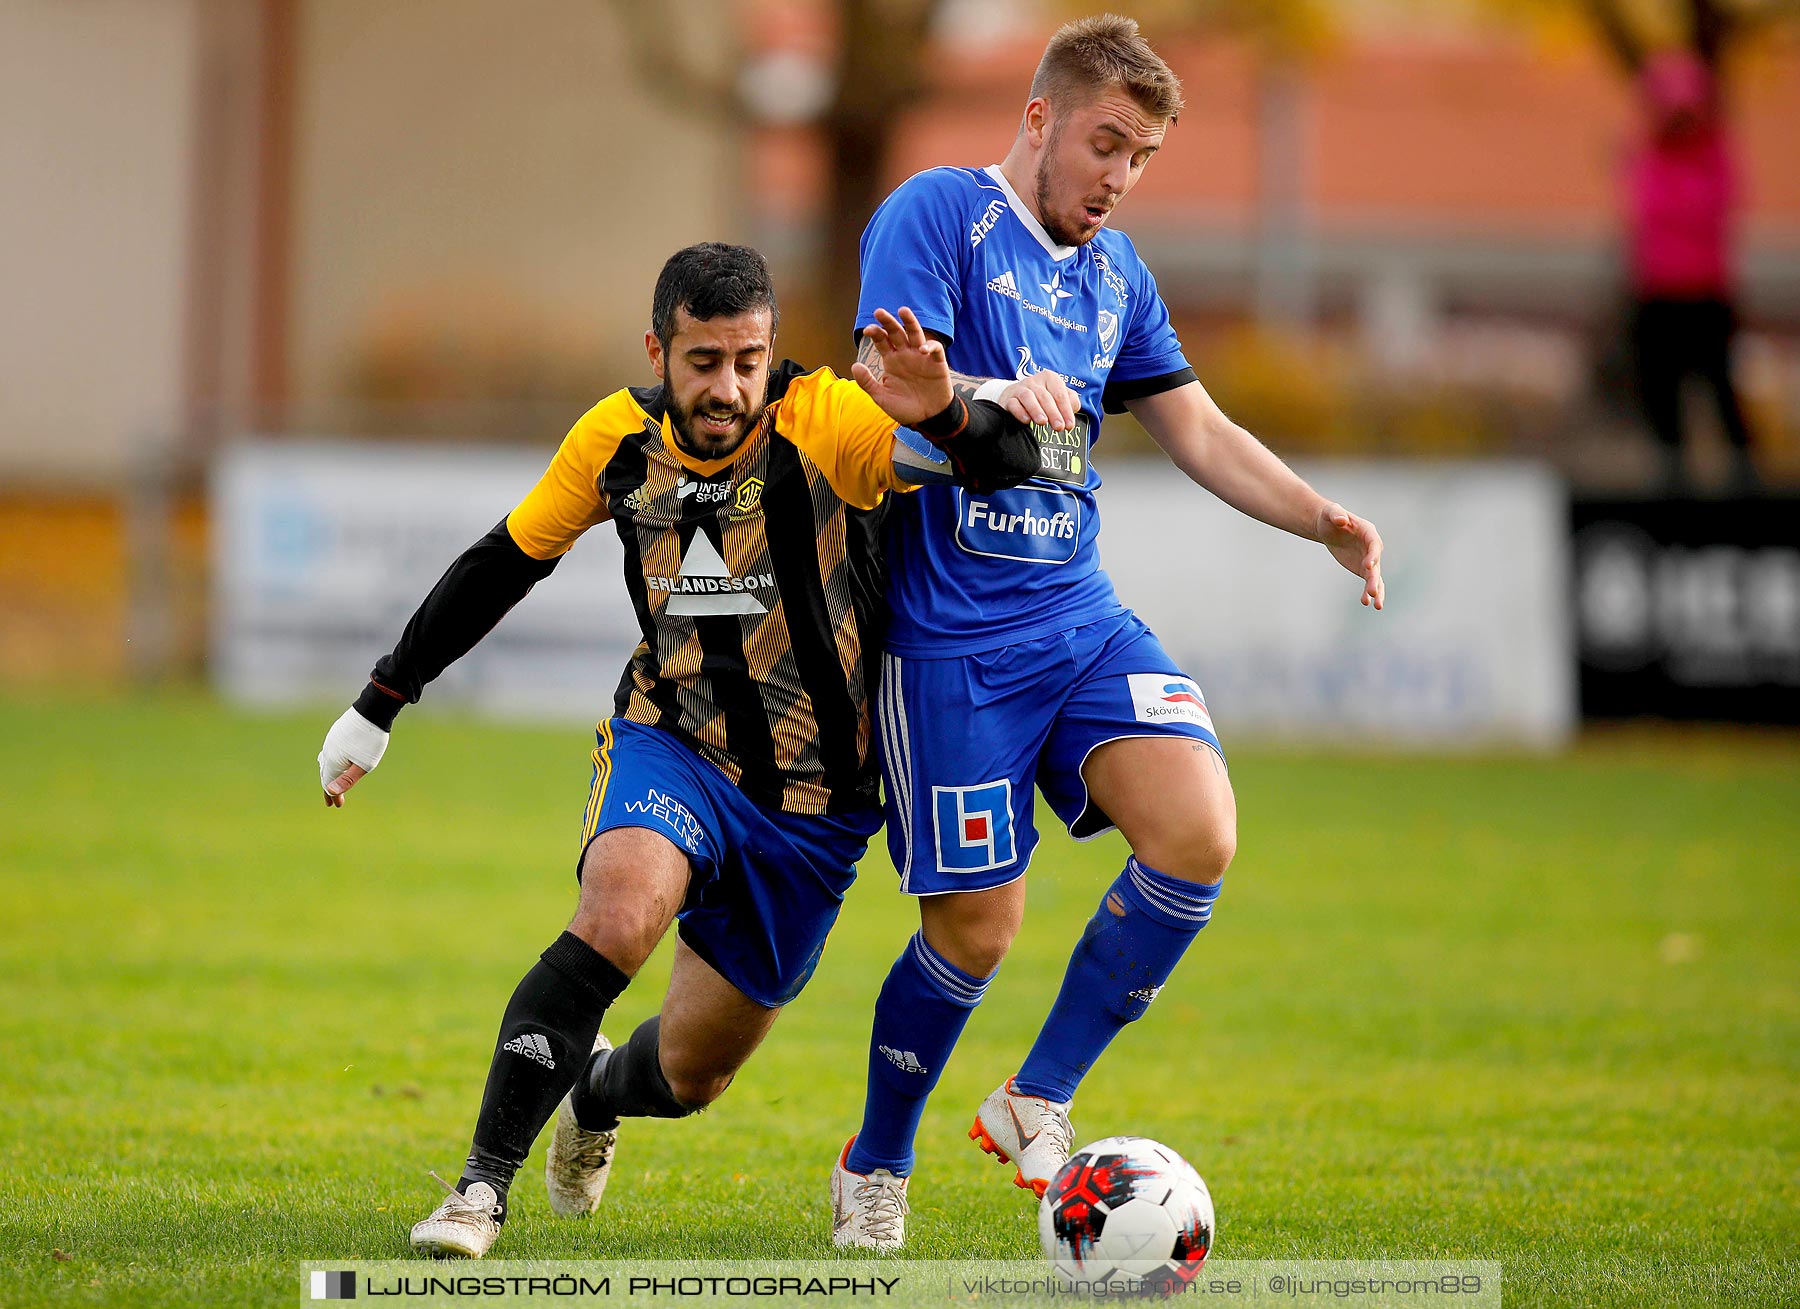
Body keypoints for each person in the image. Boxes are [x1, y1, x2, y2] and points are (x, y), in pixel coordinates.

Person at [316, 243, 1035, 1258]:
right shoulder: (615, 439)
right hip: (673, 743)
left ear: (773, 352)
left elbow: (1002, 461)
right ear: (659, 350)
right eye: (703, 361)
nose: (727, 386)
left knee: (693, 1076)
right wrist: (380, 701)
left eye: (749, 360)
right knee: (618, 913)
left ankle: (596, 1089)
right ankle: (478, 1192)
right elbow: (502, 563)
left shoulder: (830, 419)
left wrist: (952, 407)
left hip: (816, 807)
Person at [828, 15, 1387, 1251]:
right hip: (947, 641)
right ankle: (877, 1161)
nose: (1118, 177)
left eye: (1139, 157)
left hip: (1077, 620)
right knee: (979, 926)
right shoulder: (938, 215)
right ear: (1037, 118)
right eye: (1105, 144)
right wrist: (971, 393)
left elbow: (1199, 429)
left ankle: (1039, 1091)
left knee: (1199, 830)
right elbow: (881, 385)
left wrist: (1319, 519)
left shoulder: (1116, 275)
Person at [1585, 0, 1758, 492]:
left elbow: (1703, 210)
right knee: (1664, 402)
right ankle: (1673, 490)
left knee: (1721, 397)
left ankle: (1748, 490)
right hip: (1658, 297)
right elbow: (1650, 211)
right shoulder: (1647, 156)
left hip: (1706, 297)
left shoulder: (1711, 154)